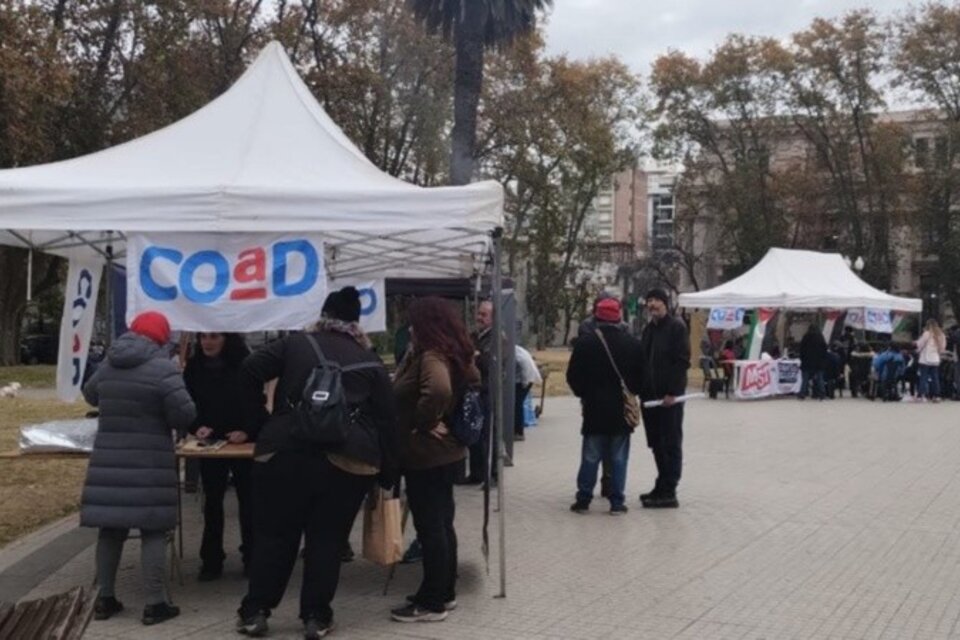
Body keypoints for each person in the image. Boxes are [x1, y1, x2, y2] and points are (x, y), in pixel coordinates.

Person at [236, 287, 398, 639]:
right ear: (356, 321)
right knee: (327, 539)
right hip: (346, 461)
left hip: (283, 452)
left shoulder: (295, 345)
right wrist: (388, 475)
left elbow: (249, 369)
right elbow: (387, 421)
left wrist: (262, 424)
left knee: (274, 536)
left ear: (323, 314)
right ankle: (316, 616)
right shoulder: (369, 361)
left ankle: (255, 611)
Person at [82, 311, 197, 626]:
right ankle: (155, 604)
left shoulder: (109, 363)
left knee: (110, 529)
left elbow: (90, 394)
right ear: (162, 337)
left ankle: (103, 599)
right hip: (149, 464)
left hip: (108, 462)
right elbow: (184, 414)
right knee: (153, 531)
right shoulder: (164, 369)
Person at [390, 297, 481, 622]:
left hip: (427, 454)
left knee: (431, 527)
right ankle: (444, 591)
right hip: (447, 454)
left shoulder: (431, 355)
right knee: (442, 524)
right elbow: (472, 382)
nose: (410, 328)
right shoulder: (453, 351)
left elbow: (439, 390)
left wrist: (422, 421)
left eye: (413, 322)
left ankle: (431, 602)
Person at [183, 332, 254, 581]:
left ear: (227, 340)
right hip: (210, 441)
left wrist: (247, 430)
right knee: (212, 503)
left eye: (214, 337)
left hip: (241, 441)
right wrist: (196, 426)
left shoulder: (245, 365)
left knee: (249, 502)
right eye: (203, 337)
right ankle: (211, 559)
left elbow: (257, 402)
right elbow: (186, 403)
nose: (207, 342)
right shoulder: (193, 367)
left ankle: (252, 557)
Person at [566, 298, 643, 515]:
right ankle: (617, 502)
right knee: (619, 458)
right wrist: (630, 392)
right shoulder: (632, 344)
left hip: (594, 410)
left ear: (596, 317)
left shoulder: (585, 343)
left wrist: (584, 394)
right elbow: (641, 378)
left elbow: (572, 376)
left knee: (590, 456)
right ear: (619, 317)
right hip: (620, 412)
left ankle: (583, 500)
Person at [638, 289, 690, 509]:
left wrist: (673, 392)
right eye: (649, 301)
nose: (652, 304)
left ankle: (670, 490)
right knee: (656, 443)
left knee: (670, 442)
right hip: (650, 397)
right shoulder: (649, 330)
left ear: (665, 304)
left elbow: (682, 361)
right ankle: (661, 483)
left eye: (656, 300)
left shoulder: (676, 327)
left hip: (669, 398)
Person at [466, 300, 495, 485]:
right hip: (473, 390)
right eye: (479, 313)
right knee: (474, 434)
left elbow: (490, 364)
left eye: (484, 315)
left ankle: (489, 474)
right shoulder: (474, 336)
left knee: (486, 434)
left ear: (493, 318)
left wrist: (476, 356)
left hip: (487, 391)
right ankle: (476, 473)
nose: (479, 318)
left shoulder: (498, 338)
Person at [514, 345, 542, 441]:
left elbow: (524, 364)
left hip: (525, 378)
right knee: (517, 403)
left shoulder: (515, 352)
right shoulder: (515, 349)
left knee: (517, 403)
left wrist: (525, 382)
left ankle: (519, 431)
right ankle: (516, 429)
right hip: (521, 378)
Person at [917, 318, 947, 402]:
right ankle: (936, 395)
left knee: (923, 377)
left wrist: (918, 350)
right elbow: (943, 347)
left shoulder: (926, 334)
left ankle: (922, 395)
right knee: (935, 377)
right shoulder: (941, 335)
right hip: (935, 358)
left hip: (925, 358)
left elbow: (920, 344)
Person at [798, 324, 828, 400]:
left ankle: (802, 393)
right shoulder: (820, 337)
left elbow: (801, 349)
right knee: (820, 378)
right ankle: (822, 394)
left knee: (805, 379)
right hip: (818, 362)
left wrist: (802, 358)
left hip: (807, 362)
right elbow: (824, 350)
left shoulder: (806, 337)